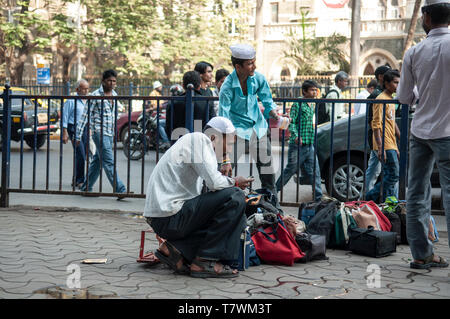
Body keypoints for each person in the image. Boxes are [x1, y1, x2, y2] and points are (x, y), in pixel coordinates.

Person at [144, 116, 254, 278]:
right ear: (213, 137)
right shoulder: (199, 140)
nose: (229, 150)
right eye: (229, 143)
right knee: (235, 196)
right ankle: (204, 261)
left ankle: (174, 249)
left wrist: (223, 169)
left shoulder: (194, 144)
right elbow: (215, 184)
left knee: (230, 214)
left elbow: (209, 193)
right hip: (169, 217)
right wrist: (235, 182)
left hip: (166, 218)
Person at [397, 0, 449, 269]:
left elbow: (404, 97)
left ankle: (421, 254)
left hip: (420, 130)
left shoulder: (414, 52)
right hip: (448, 132)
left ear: (426, 17)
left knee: (416, 191)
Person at [219, 44, 289, 206]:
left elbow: (267, 100)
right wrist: (224, 157)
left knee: (268, 175)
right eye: (250, 63)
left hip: (259, 130)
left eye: (254, 62)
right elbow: (223, 119)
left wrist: (275, 116)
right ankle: (221, 210)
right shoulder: (227, 87)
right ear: (238, 66)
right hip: (236, 133)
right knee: (224, 173)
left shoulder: (258, 78)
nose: (254, 66)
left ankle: (274, 210)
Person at [76, 69, 127, 198]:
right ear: (103, 81)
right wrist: (78, 135)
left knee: (97, 161)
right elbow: (85, 115)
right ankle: (120, 190)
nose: (112, 83)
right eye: (109, 80)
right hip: (99, 133)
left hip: (109, 133)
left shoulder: (115, 95)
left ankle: (86, 188)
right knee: (109, 161)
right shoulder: (95, 95)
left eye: (114, 81)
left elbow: (114, 115)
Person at [276, 80, 323, 202]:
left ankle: (319, 199)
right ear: (304, 91)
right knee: (290, 170)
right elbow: (292, 122)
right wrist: (296, 135)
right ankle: (273, 192)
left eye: (315, 89)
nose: (314, 92)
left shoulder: (312, 103)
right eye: (312, 90)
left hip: (309, 143)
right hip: (298, 145)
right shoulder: (298, 103)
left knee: (316, 172)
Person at [365, 69, 401, 203]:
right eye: (395, 82)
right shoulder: (380, 99)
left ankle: (389, 204)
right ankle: (370, 197)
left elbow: (391, 122)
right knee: (393, 175)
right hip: (384, 143)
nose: (398, 85)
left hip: (391, 143)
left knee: (391, 176)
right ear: (386, 83)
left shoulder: (390, 99)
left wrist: (398, 141)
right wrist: (380, 147)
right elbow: (376, 123)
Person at [361, 66, 391, 199]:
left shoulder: (385, 93)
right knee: (376, 169)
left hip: (383, 137)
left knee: (375, 169)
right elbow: (372, 120)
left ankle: (368, 196)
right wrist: (379, 141)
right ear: (381, 77)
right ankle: (367, 197)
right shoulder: (376, 95)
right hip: (378, 137)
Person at [165, 71, 216, 141]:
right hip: (200, 142)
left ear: (183, 85)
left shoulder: (172, 103)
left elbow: (168, 127)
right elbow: (212, 125)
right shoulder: (207, 102)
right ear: (199, 85)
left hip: (178, 143)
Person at [62, 79, 90, 189]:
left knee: (83, 155)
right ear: (77, 89)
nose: (86, 91)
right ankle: (79, 180)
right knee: (81, 154)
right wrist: (64, 132)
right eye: (84, 88)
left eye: (87, 88)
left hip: (85, 128)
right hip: (73, 128)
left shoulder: (88, 100)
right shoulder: (71, 101)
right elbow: (65, 117)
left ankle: (75, 178)